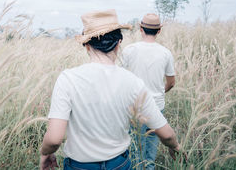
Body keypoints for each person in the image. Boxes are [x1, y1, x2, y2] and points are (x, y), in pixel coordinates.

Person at [40, 9, 181, 170]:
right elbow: (167, 134)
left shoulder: (67, 79)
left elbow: (53, 139)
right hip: (119, 164)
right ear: (119, 43)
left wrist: (46, 154)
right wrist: (175, 147)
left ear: (86, 45)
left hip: (78, 166)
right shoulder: (134, 83)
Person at [122, 13, 176, 170]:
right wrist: (158, 94)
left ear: (141, 29)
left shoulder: (129, 50)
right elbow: (171, 82)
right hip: (156, 108)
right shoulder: (166, 53)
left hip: (134, 109)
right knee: (150, 157)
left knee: (135, 155)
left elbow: (119, 78)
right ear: (159, 31)